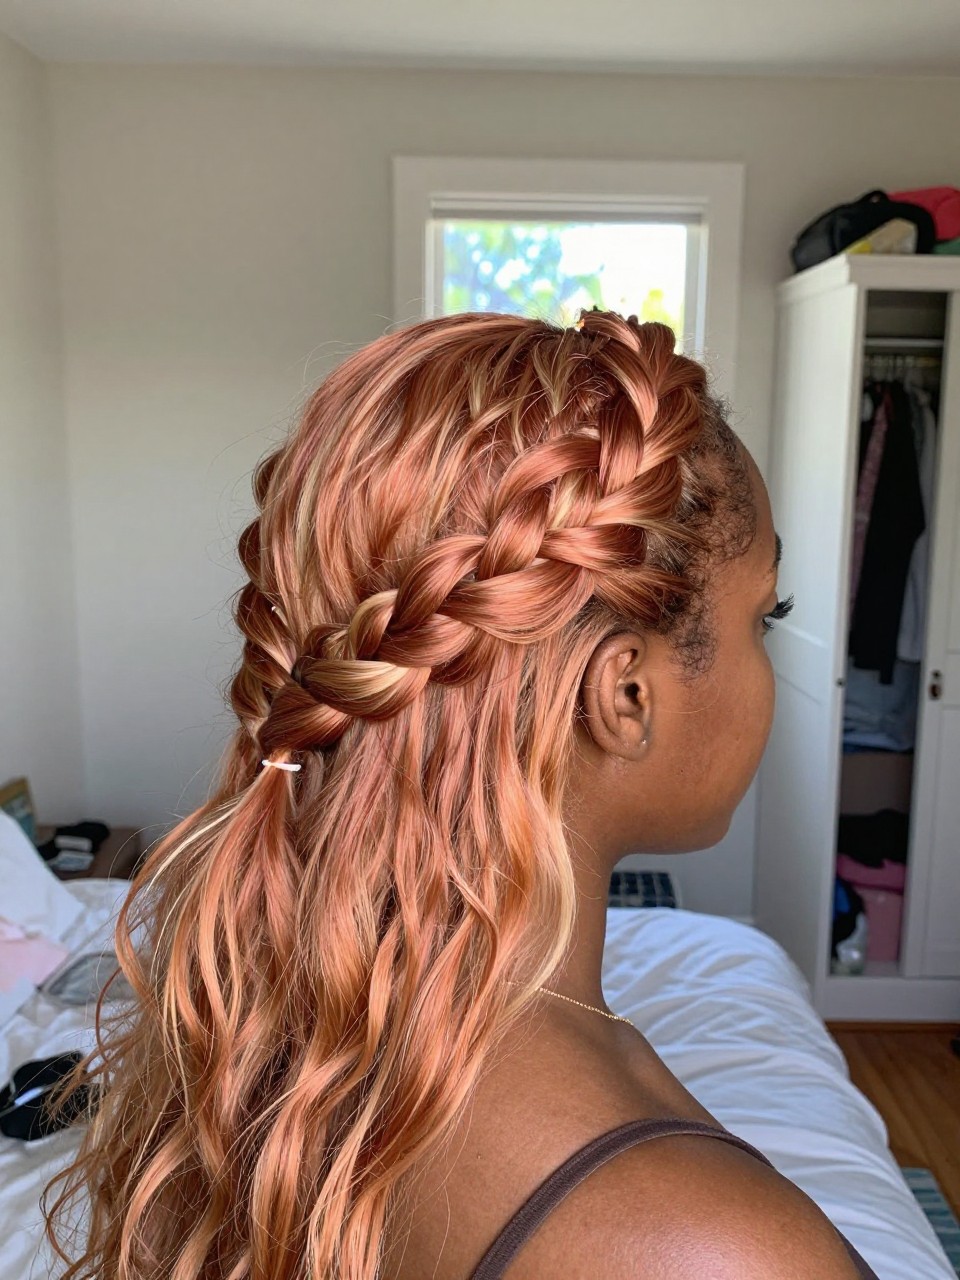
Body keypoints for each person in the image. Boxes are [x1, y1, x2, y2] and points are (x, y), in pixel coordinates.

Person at [43, 310, 873, 1279]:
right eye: (766, 615)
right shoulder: (718, 1253)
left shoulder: (253, 1030)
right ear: (624, 692)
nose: (771, 652)